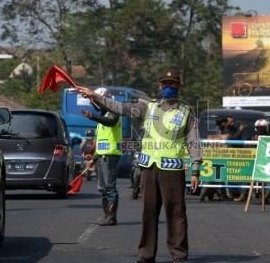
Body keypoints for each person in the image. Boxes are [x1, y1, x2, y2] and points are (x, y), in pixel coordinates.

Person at [77, 67, 202, 263]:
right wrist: (95, 96)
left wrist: (195, 169)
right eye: (165, 83)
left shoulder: (186, 112)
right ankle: (146, 255)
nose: (169, 86)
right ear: (159, 86)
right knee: (149, 211)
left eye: (173, 83)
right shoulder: (147, 107)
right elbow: (119, 108)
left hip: (172, 169)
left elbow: (193, 142)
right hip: (149, 168)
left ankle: (179, 255)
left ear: (179, 86)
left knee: (176, 212)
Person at [81, 88, 122, 226]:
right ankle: (106, 215)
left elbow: (110, 121)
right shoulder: (101, 120)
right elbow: (100, 143)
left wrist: (92, 116)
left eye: (97, 100)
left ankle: (111, 217)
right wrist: (94, 158)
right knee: (103, 188)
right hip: (102, 156)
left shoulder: (114, 112)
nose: (95, 103)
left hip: (110, 156)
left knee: (110, 187)